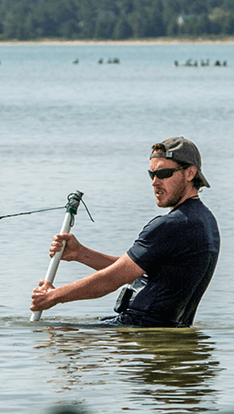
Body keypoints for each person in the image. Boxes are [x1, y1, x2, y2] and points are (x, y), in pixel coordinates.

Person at [31, 137, 220, 327]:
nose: (155, 182)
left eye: (163, 173)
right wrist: (80, 254)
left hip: (137, 331)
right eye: (151, 174)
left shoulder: (171, 225)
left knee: (54, 338)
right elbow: (130, 271)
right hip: (156, 331)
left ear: (190, 173)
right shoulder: (206, 221)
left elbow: (112, 280)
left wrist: (53, 297)